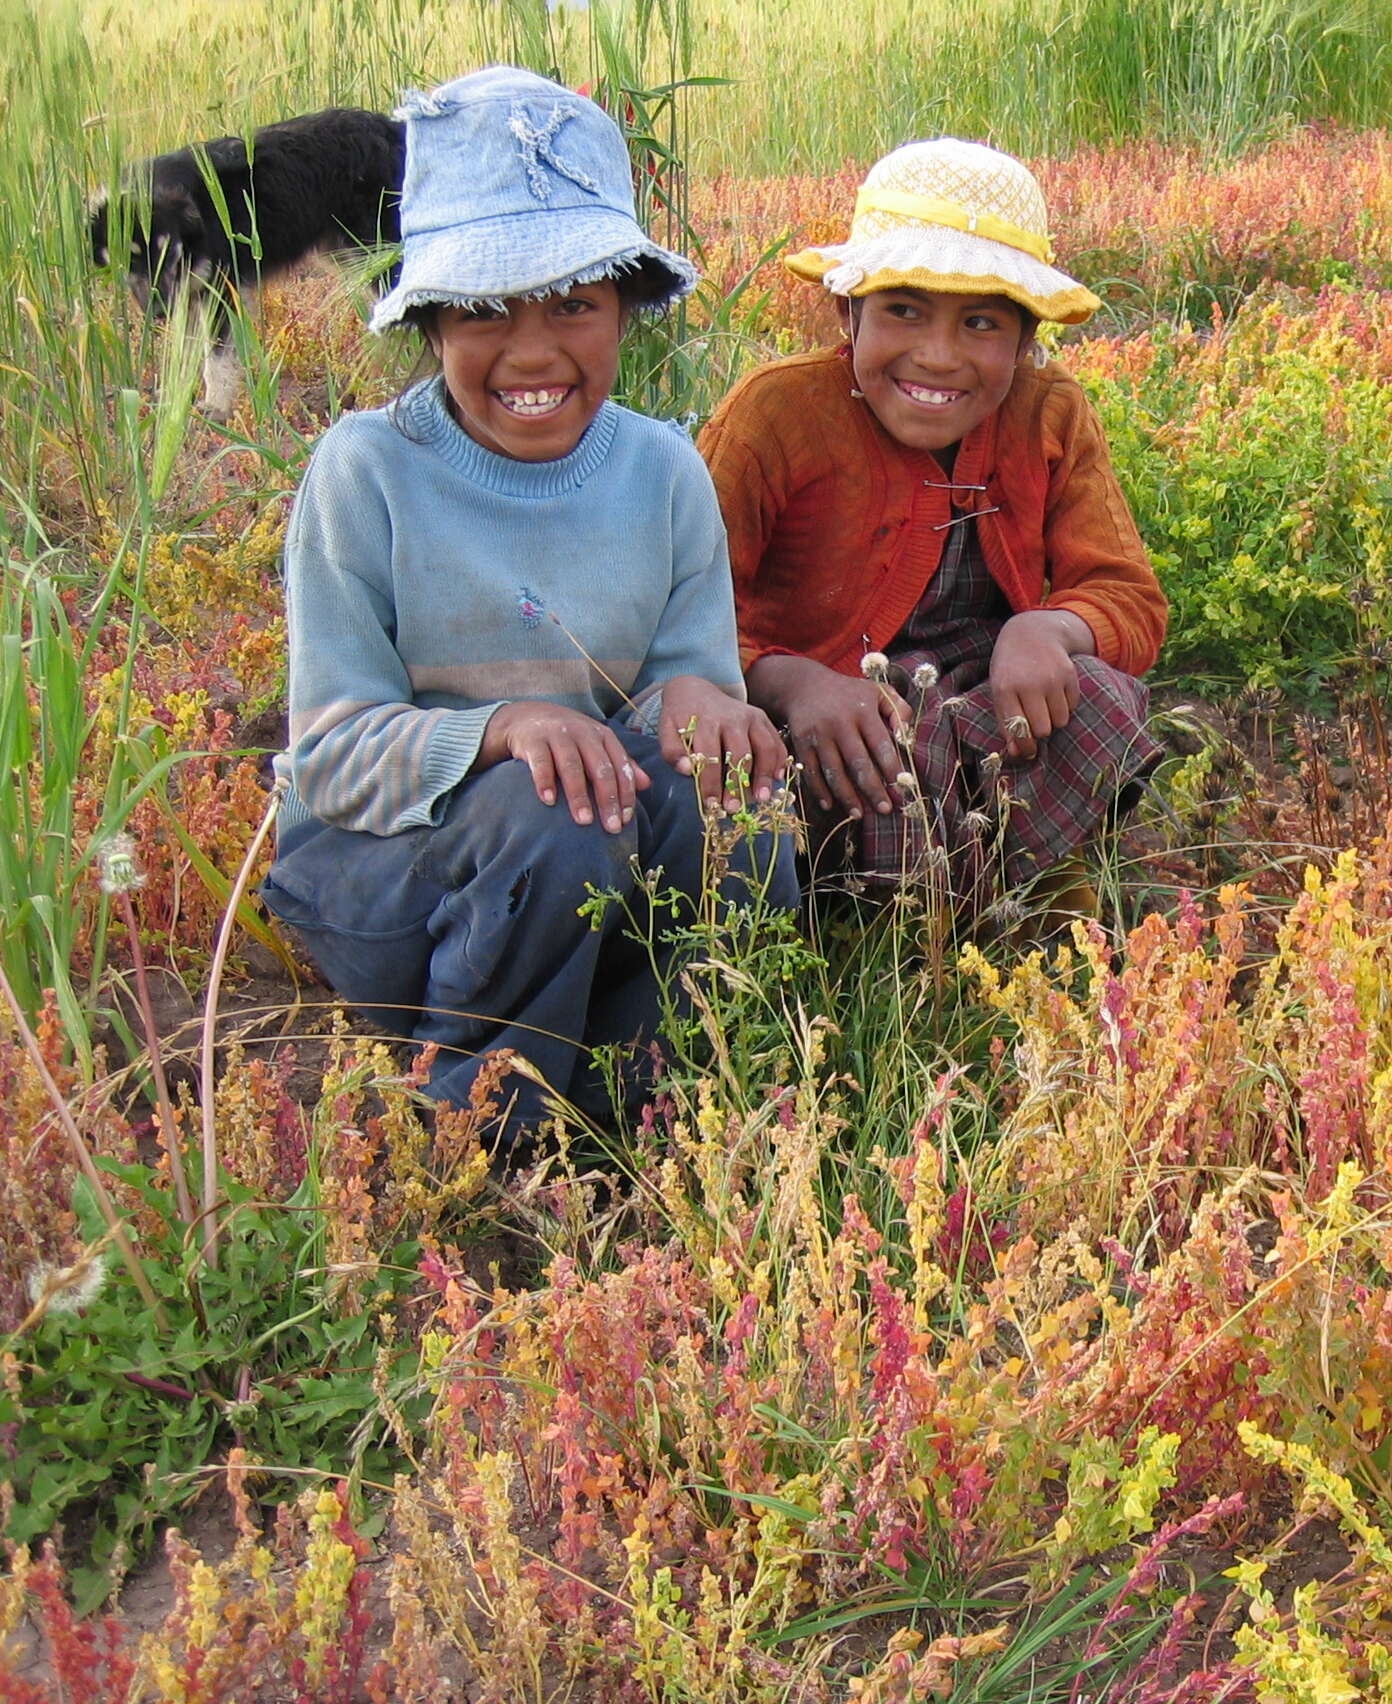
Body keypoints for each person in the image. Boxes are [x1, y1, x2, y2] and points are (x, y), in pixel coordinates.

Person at [260, 66, 797, 1141]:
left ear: (628, 309)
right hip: (389, 881)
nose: (534, 349)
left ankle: (651, 1097)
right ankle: (489, 1127)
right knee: (553, 809)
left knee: (737, 797)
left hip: (570, 875)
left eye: (573, 303)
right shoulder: (365, 472)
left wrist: (707, 711)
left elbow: (682, 690)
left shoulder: (662, 472)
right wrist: (501, 730)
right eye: (481, 310)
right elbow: (329, 757)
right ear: (426, 324)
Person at [697, 138, 1167, 925]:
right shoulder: (774, 414)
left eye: (981, 322)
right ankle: (892, 928)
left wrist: (1046, 629)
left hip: (979, 704)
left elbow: (1129, 599)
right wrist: (794, 683)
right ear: (848, 312)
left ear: (1024, 340)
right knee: (846, 777)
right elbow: (683, 615)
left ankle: (1032, 894)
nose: (939, 356)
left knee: (1102, 697)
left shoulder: (1048, 412)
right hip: (831, 724)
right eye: (903, 310)